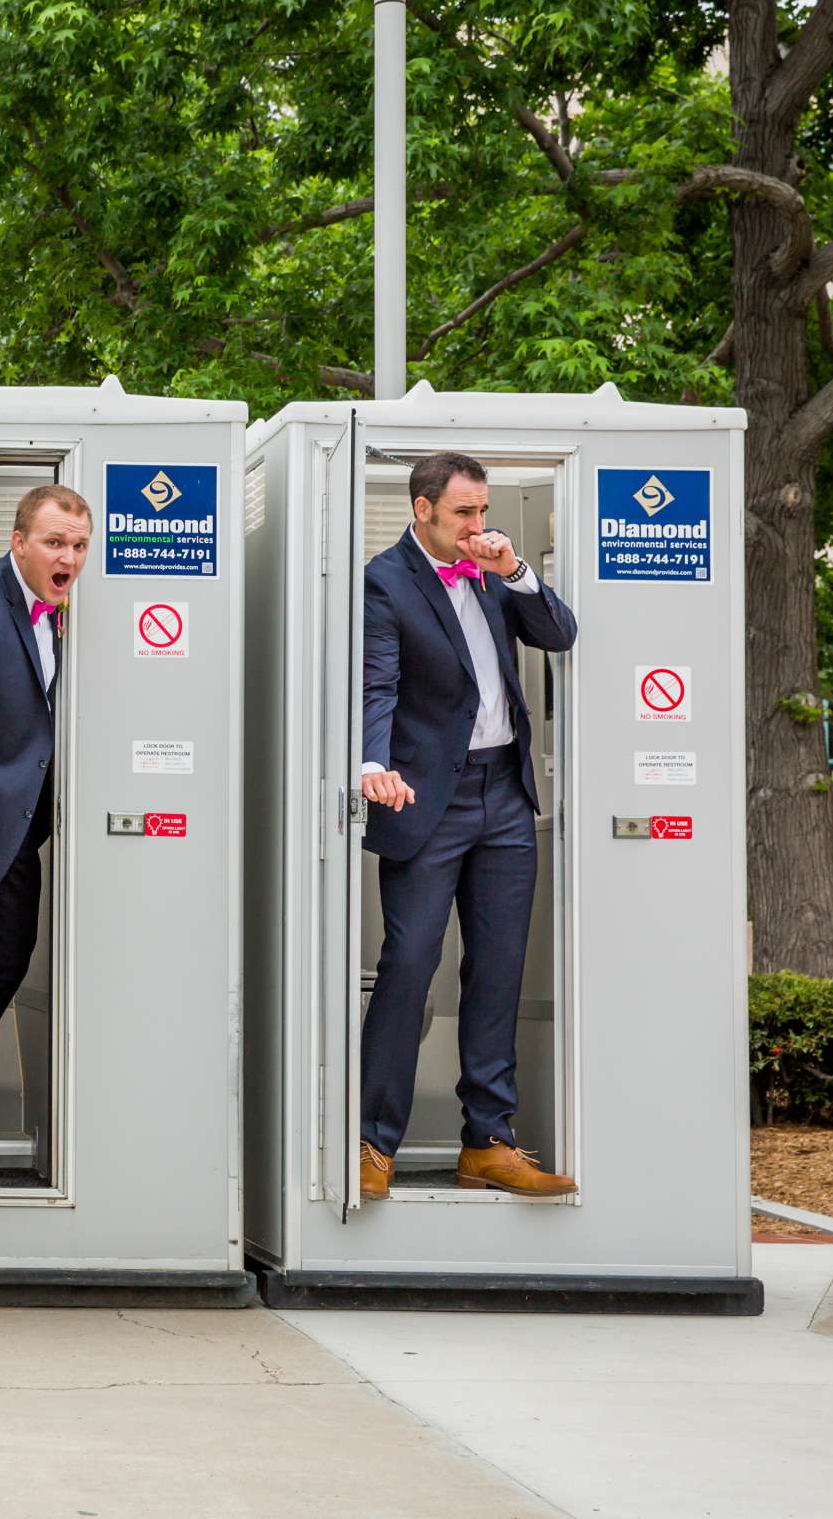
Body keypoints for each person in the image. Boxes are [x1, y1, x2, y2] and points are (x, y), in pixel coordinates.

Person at [357, 452, 578, 1201]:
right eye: (464, 513)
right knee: (411, 964)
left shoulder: (490, 569)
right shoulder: (384, 580)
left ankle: (488, 1142)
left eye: (483, 511)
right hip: (425, 799)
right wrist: (369, 764)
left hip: (505, 794)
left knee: (498, 970)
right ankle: (371, 1142)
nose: (478, 526)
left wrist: (515, 568)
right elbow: (376, 682)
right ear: (423, 509)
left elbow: (558, 633)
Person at [0, 484, 90, 1188]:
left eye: (80, 545)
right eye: (56, 543)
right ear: (18, 541)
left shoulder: (60, 612)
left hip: (25, 829)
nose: (69, 557)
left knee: (6, 964)